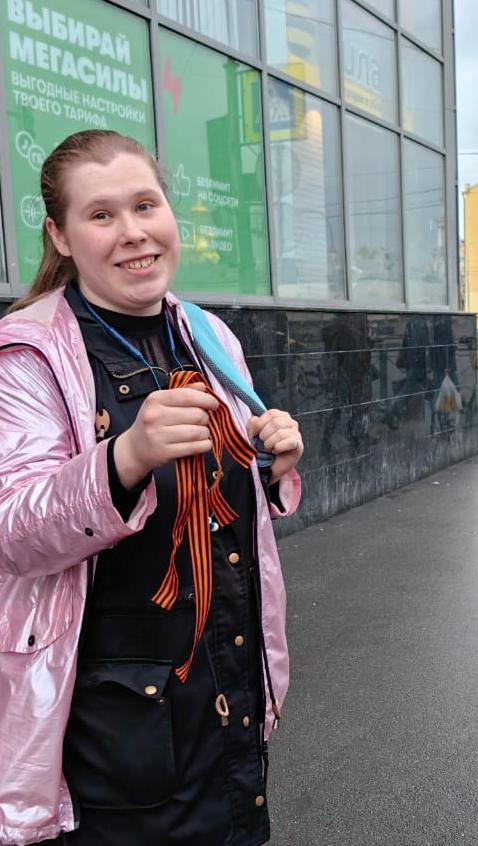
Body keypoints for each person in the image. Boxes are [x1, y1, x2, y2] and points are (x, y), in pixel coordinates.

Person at [0, 130, 304, 845]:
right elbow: (12, 530)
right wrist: (123, 457)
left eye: (145, 205)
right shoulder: (28, 355)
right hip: (108, 741)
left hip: (225, 696)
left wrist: (272, 464)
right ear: (61, 235)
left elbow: (229, 505)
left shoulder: (205, 334)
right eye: (101, 215)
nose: (133, 233)